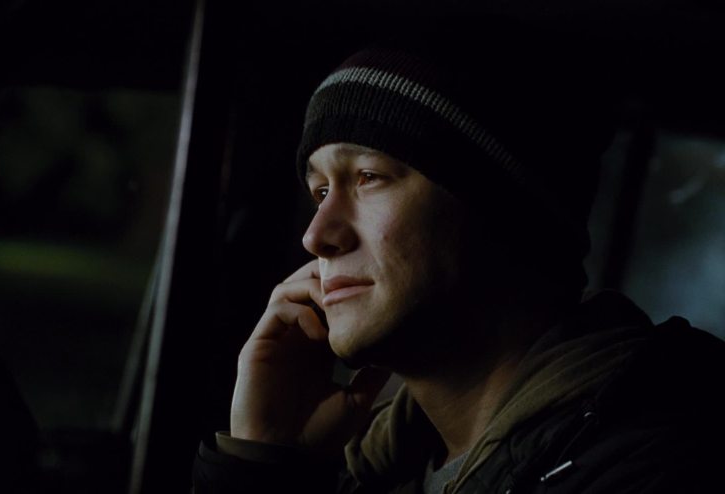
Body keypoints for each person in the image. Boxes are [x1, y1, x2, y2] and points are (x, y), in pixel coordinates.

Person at [192, 20, 725, 494]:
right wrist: (267, 463)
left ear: (500, 207)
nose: (317, 236)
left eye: (368, 177)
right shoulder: (372, 470)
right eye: (321, 192)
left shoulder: (664, 465)